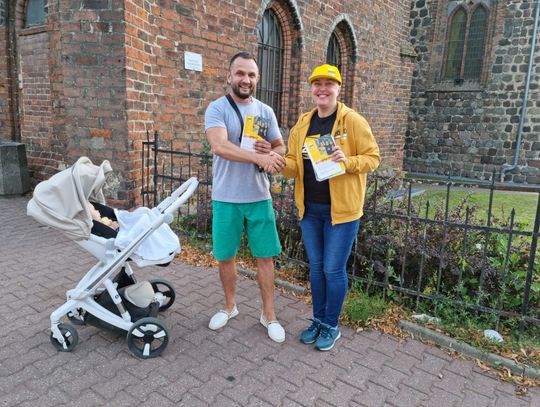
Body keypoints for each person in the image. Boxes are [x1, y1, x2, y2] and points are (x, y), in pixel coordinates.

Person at [282, 64, 380, 351]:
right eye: (317, 84)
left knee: (333, 269)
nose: (322, 89)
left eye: (329, 83)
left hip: (342, 212)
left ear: (338, 88)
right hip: (310, 210)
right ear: (312, 89)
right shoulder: (303, 124)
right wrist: (277, 163)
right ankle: (318, 319)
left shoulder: (353, 121)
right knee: (316, 269)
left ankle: (331, 325)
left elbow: (373, 158)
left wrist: (347, 162)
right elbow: (293, 166)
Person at [204, 51, 287, 343]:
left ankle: (269, 315)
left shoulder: (265, 111)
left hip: (258, 196)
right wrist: (257, 157)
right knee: (226, 257)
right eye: (240, 73)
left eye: (251, 74)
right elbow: (219, 146)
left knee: (265, 257)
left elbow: (281, 147)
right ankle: (230, 307)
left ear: (257, 78)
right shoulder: (217, 108)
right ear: (229, 76)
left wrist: (272, 154)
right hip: (226, 197)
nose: (245, 79)